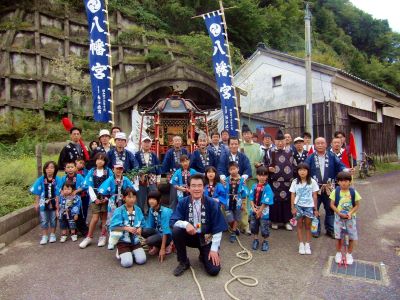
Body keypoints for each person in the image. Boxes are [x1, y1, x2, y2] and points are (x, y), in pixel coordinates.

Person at [170, 174, 228, 276]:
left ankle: (204, 254)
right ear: (188, 188)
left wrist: (214, 249)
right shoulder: (183, 202)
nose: (196, 189)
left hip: (206, 238)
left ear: (204, 187)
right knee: (176, 230)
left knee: (214, 270)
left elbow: (218, 227)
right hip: (190, 236)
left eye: (199, 185)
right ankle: (183, 261)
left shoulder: (212, 203)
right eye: (193, 185)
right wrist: (186, 224)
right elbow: (173, 221)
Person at [305, 137, 349, 238]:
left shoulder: (332, 156)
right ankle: (315, 229)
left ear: (326, 144)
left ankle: (330, 229)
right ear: (314, 145)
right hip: (315, 189)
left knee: (330, 209)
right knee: (314, 209)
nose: (320, 145)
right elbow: (304, 168)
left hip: (330, 188)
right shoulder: (310, 157)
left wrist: (347, 170)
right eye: (318, 143)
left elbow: (341, 166)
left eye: (322, 143)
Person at [80, 153, 113, 248]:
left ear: (105, 162)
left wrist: (107, 198)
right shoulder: (91, 171)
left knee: (104, 218)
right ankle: (89, 237)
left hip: (105, 197)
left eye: (102, 159)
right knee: (94, 218)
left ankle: (103, 236)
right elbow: (88, 185)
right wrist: (94, 199)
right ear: (95, 160)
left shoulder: (108, 171)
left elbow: (111, 185)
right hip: (94, 197)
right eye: (98, 159)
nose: (100, 161)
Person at [109, 188, 146, 268]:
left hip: (135, 241)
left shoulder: (138, 209)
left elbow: (143, 223)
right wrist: (126, 228)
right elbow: (113, 227)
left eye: (134, 197)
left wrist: (140, 228)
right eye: (129, 197)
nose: (132, 199)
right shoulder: (119, 210)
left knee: (141, 260)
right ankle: (120, 250)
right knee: (127, 263)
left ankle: (130, 252)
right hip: (123, 241)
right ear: (124, 198)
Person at [330, 172, 361, 265]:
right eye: (341, 181)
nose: (343, 183)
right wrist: (338, 212)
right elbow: (331, 204)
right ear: (338, 182)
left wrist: (350, 213)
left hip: (350, 219)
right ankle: (338, 253)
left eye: (346, 181)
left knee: (351, 236)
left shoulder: (353, 192)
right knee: (338, 237)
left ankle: (349, 254)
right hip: (339, 218)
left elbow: (357, 205)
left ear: (350, 182)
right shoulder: (335, 191)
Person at [289, 163, 319, 255]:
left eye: (304, 170)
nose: (302, 172)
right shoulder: (295, 181)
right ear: (297, 171)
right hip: (298, 206)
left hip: (309, 207)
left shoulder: (312, 181)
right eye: (300, 170)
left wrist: (316, 209)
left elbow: (314, 195)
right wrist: (292, 208)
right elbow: (292, 195)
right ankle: (301, 244)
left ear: (308, 171)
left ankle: (307, 244)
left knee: (308, 226)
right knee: (299, 226)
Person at [268, 130, 295, 231]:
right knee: (275, 202)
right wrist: (268, 168)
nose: (280, 143)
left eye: (282, 141)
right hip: (274, 181)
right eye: (277, 141)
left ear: (285, 141)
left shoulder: (290, 151)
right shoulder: (270, 151)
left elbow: (294, 165)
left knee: (287, 201)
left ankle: (287, 221)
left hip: (288, 181)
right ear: (274, 141)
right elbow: (265, 163)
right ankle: (274, 221)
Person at [30, 161, 61, 245]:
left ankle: (52, 235)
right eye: (47, 168)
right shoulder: (41, 179)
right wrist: (36, 203)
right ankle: (44, 236)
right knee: (44, 220)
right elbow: (37, 191)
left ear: (55, 169)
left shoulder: (58, 179)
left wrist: (58, 204)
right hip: (43, 201)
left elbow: (59, 192)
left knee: (53, 219)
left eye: (52, 167)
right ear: (45, 169)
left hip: (55, 201)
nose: (49, 169)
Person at [240, 124, 264, 235]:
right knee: (243, 200)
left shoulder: (258, 146)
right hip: (243, 178)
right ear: (242, 135)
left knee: (253, 198)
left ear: (251, 134)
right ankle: (244, 222)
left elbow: (262, 158)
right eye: (244, 134)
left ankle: (252, 219)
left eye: (248, 133)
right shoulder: (240, 146)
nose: (246, 135)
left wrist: (259, 164)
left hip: (255, 177)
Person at [142, 190, 173, 262]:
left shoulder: (165, 212)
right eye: (149, 199)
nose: (151, 201)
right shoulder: (151, 209)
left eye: (154, 199)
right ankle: (156, 245)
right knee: (144, 231)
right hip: (159, 232)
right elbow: (150, 226)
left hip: (168, 235)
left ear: (159, 200)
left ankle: (169, 244)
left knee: (149, 240)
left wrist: (162, 249)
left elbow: (166, 231)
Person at [249, 166, 274, 251]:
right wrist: (253, 208)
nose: (262, 177)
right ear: (257, 176)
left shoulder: (267, 187)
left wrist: (260, 210)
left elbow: (267, 199)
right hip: (254, 209)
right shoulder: (254, 186)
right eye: (260, 175)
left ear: (267, 176)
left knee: (264, 226)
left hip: (264, 210)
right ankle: (255, 239)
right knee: (254, 225)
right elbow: (251, 197)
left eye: (264, 175)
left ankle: (265, 241)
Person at [134, 136, 161, 214]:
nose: (146, 144)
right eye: (145, 142)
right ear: (141, 143)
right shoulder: (137, 154)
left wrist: (158, 180)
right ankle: (140, 213)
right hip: (141, 178)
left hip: (152, 177)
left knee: (153, 195)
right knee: (141, 197)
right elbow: (135, 167)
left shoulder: (153, 154)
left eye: (148, 142)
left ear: (150, 144)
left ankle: (152, 213)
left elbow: (158, 166)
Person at [162, 135, 190, 209]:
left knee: (185, 194)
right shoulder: (169, 152)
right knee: (174, 194)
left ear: (181, 142)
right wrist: (163, 179)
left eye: (179, 140)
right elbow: (165, 165)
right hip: (173, 174)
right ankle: (172, 211)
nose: (177, 142)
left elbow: (189, 162)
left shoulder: (185, 151)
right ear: (172, 142)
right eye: (176, 141)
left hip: (185, 174)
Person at [224, 162, 248, 243]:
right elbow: (223, 190)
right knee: (230, 219)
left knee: (237, 218)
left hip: (238, 201)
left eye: (234, 169)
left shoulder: (242, 180)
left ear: (238, 169)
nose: (233, 171)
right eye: (231, 169)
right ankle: (235, 228)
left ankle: (233, 232)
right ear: (228, 171)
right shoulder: (226, 180)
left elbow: (244, 192)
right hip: (228, 201)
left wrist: (244, 203)